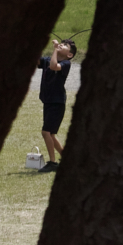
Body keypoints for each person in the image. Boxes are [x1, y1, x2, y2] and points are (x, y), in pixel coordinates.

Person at [35, 39, 76, 170]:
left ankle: (52, 163)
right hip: (48, 101)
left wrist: (55, 50)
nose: (61, 45)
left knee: (46, 132)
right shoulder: (48, 59)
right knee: (51, 134)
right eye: (61, 44)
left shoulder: (66, 63)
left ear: (69, 54)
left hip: (57, 102)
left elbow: (54, 66)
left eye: (64, 46)